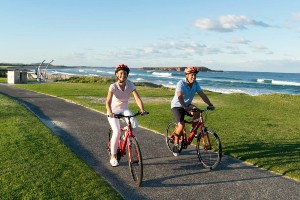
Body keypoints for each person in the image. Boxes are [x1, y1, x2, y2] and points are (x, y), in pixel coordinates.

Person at [106, 64, 146, 167]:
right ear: (117, 75)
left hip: (124, 110)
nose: (123, 75)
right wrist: (110, 112)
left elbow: (137, 98)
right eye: (121, 73)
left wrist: (142, 109)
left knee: (134, 124)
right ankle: (113, 156)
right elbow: (108, 101)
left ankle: (126, 133)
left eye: (125, 73)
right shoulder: (113, 86)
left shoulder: (130, 85)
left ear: (127, 75)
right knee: (116, 131)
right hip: (113, 111)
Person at [171, 66, 215, 156]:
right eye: (192, 75)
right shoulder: (181, 83)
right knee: (181, 125)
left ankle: (193, 130)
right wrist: (184, 106)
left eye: (195, 75)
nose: (194, 77)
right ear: (186, 75)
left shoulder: (196, 84)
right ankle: (176, 145)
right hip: (177, 106)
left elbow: (202, 94)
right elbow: (179, 96)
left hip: (187, 105)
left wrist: (210, 104)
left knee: (198, 113)